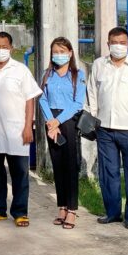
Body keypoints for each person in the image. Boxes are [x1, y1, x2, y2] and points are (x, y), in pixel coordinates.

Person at [0, 31, 42, 228]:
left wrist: (28, 126)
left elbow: (30, 100)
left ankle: (20, 212)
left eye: (4, 47)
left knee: (20, 173)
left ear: (11, 48)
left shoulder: (21, 70)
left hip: (16, 131)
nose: (0, 50)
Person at [87, 27, 128, 230]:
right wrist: (92, 121)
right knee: (108, 173)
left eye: (122, 42)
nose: (118, 46)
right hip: (104, 128)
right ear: (108, 44)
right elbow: (92, 95)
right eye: (114, 42)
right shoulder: (99, 65)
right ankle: (112, 212)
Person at [38, 37, 85, 230]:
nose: (59, 55)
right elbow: (42, 99)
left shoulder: (77, 75)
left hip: (68, 121)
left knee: (70, 166)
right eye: (55, 52)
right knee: (57, 166)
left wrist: (58, 121)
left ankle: (72, 209)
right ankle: (62, 207)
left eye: (62, 51)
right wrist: (51, 121)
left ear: (70, 53)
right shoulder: (47, 74)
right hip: (51, 122)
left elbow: (78, 103)